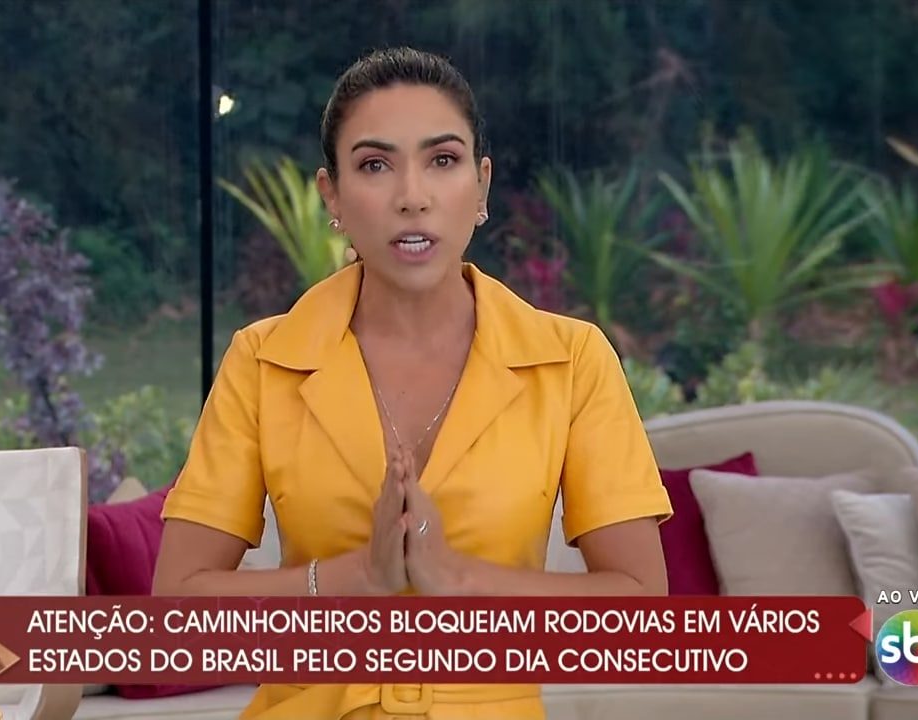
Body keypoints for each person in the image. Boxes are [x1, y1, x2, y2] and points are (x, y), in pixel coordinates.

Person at [152, 47, 673, 720]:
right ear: (332, 195)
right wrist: (356, 578)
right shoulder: (262, 360)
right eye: (375, 165)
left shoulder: (572, 360)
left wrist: (457, 578)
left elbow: (639, 611)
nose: (412, 197)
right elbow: (175, 615)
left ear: (481, 185)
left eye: (443, 160)